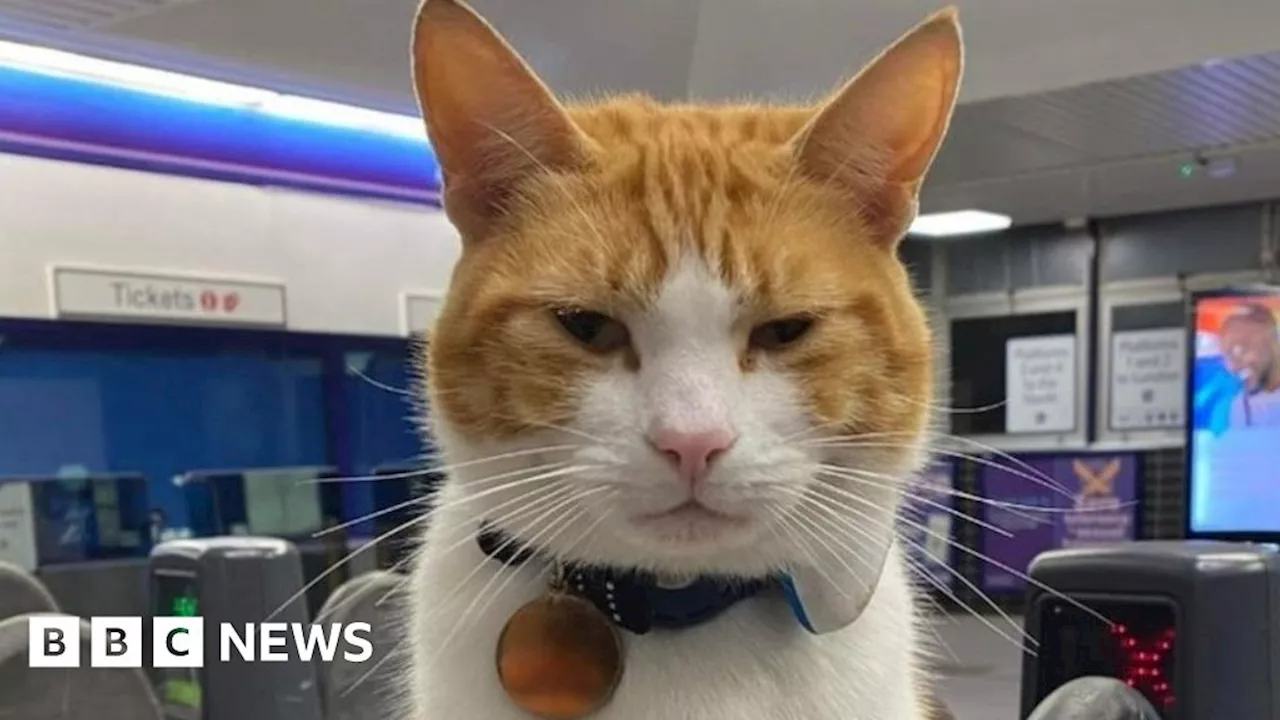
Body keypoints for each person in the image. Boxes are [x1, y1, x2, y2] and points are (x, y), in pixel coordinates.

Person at [1221, 302, 1280, 428]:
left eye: (1243, 347)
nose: (1233, 367)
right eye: (1229, 352)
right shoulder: (1238, 406)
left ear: (1273, 345)